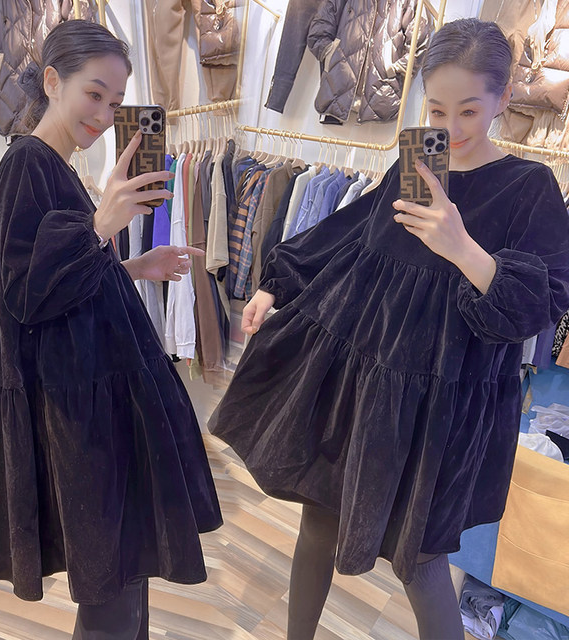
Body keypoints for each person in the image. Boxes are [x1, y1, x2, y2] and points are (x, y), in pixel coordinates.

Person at [209, 18, 569, 640]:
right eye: (436, 109)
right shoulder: (418, 153)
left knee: (420, 562)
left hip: (441, 403)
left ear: (503, 98)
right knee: (318, 520)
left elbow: (538, 306)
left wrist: (462, 247)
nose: (450, 128)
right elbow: (354, 234)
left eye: (469, 110)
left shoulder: (527, 187)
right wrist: (277, 282)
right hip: (361, 374)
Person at [0, 19, 223, 639]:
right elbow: (24, 295)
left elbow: (60, 280)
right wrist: (101, 226)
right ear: (52, 82)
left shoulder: (58, 167)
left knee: (128, 576)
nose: (104, 116)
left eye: (115, 101)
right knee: (112, 591)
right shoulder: (27, 163)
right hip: (79, 416)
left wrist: (132, 265)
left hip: (98, 402)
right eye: (94, 94)